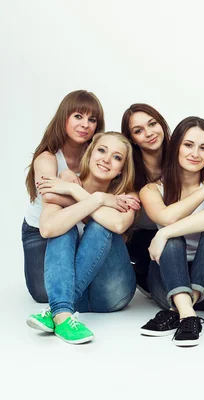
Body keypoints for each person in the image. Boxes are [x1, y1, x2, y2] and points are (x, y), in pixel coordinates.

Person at [26, 132, 138, 344]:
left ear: (121, 169)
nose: (106, 159)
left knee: (101, 225)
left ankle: (56, 309)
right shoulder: (63, 184)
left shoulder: (127, 196)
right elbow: (48, 229)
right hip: (70, 295)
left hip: (111, 294)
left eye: (116, 157)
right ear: (90, 153)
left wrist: (86, 195)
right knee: (63, 225)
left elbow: (117, 224)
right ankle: (63, 315)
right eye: (102, 151)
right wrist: (96, 198)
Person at [139, 117, 204, 347]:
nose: (196, 153)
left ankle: (182, 308)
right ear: (175, 147)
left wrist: (162, 234)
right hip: (166, 281)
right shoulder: (152, 189)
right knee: (171, 237)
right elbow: (167, 218)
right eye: (188, 145)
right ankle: (189, 316)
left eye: (203, 148)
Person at [23, 89, 109, 303]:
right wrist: (99, 199)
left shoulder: (99, 156)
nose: (85, 125)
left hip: (82, 229)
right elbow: (50, 197)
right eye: (78, 116)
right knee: (44, 294)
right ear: (64, 118)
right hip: (41, 232)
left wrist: (71, 189)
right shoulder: (47, 157)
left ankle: (64, 300)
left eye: (92, 120)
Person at [121, 103, 171, 296]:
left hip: (175, 232)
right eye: (138, 131)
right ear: (131, 139)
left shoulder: (182, 154)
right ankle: (139, 272)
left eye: (152, 124)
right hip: (138, 237)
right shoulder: (126, 167)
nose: (149, 133)